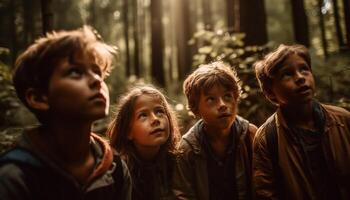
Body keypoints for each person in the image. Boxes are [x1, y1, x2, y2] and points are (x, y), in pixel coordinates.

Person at [0, 26, 132, 200]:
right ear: (39, 98)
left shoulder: (117, 170)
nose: (97, 80)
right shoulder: (14, 178)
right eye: (75, 72)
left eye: (97, 71)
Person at [253, 44, 350, 199]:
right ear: (271, 93)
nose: (300, 77)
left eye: (304, 69)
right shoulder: (268, 138)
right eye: (287, 74)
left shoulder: (344, 120)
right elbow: (266, 193)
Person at [173, 61, 257, 200]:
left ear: (236, 98)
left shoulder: (251, 135)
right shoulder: (188, 148)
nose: (222, 105)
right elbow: (182, 194)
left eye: (227, 96)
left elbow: (264, 185)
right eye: (211, 99)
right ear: (196, 108)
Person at [107, 85, 181, 200]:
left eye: (159, 111)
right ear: (128, 131)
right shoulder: (117, 170)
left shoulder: (178, 161)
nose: (155, 119)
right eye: (143, 115)